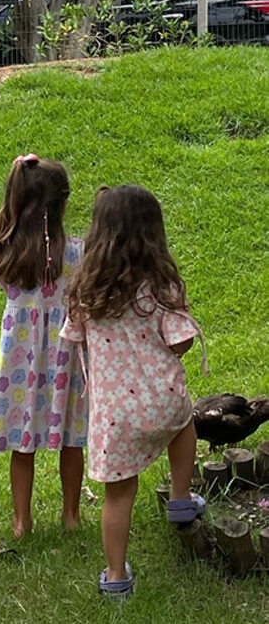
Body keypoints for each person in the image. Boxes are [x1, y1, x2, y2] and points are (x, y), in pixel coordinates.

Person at [61, 184, 207, 600]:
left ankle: (115, 577)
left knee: (119, 493)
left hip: (114, 416)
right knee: (184, 423)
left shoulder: (85, 291)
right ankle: (181, 498)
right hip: (163, 401)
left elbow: (73, 338)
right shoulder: (161, 285)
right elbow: (181, 343)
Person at [0, 155, 87, 538]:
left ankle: (22, 520)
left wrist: (10, 217)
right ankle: (71, 514)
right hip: (66, 357)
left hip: (20, 362)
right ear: (61, 204)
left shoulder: (6, 254)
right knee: (72, 439)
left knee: (21, 441)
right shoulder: (76, 254)